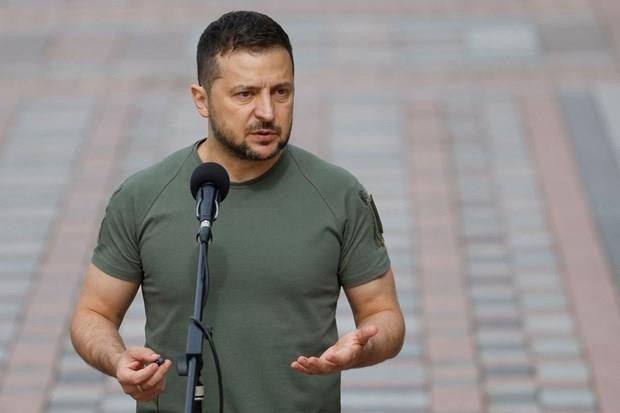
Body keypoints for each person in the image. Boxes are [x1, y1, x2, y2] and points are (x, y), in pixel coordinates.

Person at [71, 10, 405, 413]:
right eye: (245, 94)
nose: (267, 112)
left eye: (281, 92)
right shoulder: (142, 197)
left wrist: (362, 349)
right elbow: (93, 314)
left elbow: (384, 314)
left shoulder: (339, 195)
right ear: (201, 100)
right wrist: (117, 360)